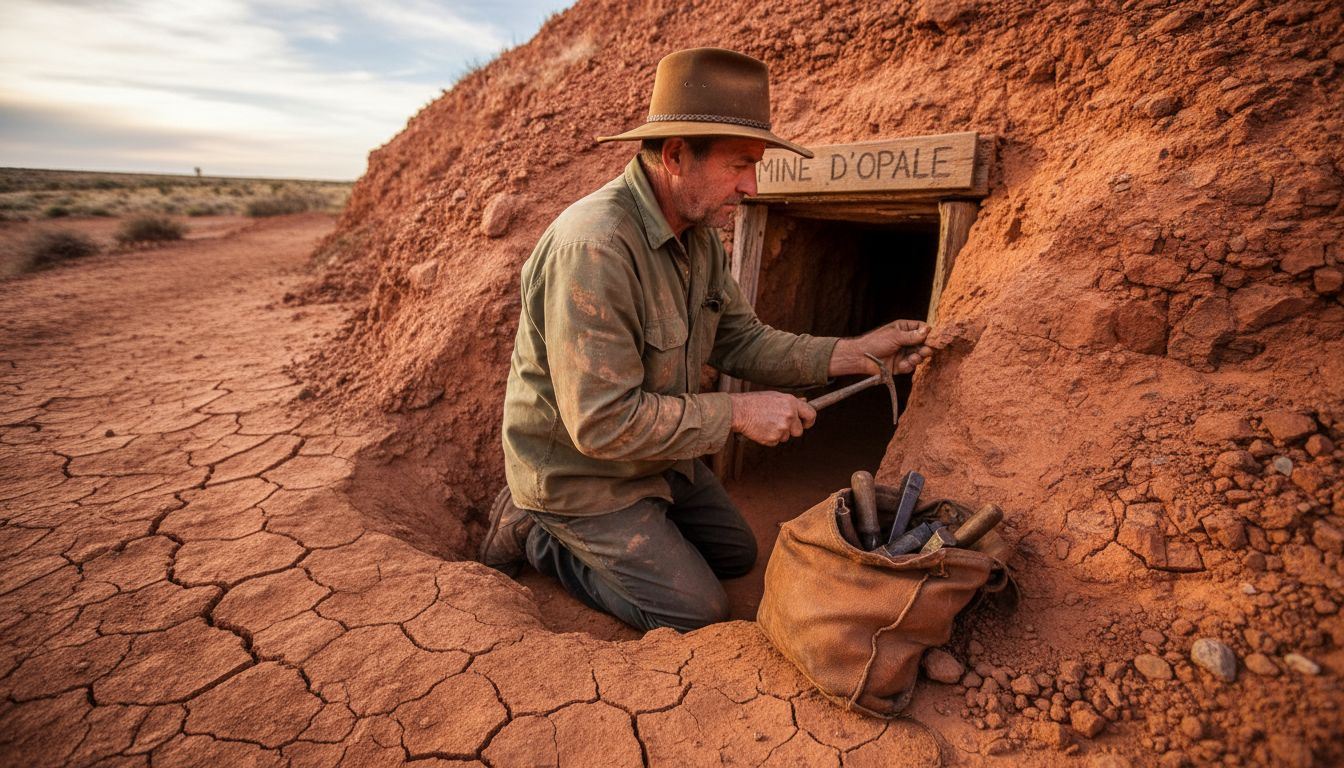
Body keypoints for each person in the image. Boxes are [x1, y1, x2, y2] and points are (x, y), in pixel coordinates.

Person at [482, 47, 933, 632]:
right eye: (738, 164)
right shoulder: (594, 249)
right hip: (582, 475)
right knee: (695, 610)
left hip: (658, 458)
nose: (750, 187)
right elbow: (599, 423)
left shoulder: (696, 237)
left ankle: (633, 524)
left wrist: (855, 352)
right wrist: (740, 412)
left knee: (734, 555)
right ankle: (537, 531)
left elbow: (742, 341)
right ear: (675, 155)